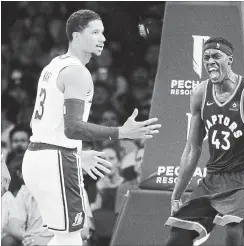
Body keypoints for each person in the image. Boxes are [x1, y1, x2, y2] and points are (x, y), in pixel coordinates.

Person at [22, 9, 161, 246]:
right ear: (76, 37)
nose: (103, 38)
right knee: (72, 238)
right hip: (54, 160)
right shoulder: (78, 72)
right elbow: (73, 128)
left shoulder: (53, 66)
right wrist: (121, 132)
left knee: (63, 237)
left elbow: (50, 123)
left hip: (37, 156)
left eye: (103, 32)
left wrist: (75, 154)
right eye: (94, 32)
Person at [164, 37, 244, 246]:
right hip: (213, 177)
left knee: (233, 233)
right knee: (177, 237)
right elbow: (193, 148)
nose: (210, 61)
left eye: (216, 56)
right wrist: (176, 195)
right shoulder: (200, 93)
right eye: (206, 57)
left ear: (230, 59)